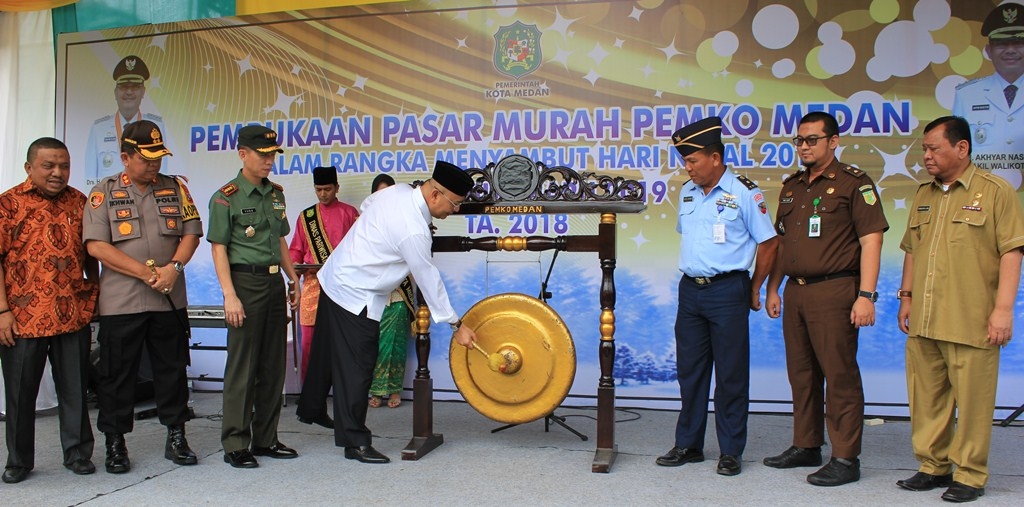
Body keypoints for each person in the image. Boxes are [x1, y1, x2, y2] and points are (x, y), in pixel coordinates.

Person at [895, 116, 1024, 503]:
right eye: (924, 149)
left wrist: (1004, 310)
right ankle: (933, 466)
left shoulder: (996, 191)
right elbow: (911, 249)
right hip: (925, 318)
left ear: (962, 148)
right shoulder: (924, 193)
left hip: (971, 319)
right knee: (927, 398)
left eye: (934, 148)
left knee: (973, 403)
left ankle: (969, 474)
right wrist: (906, 297)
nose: (926, 156)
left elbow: (1012, 251)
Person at [315, 161, 479, 464]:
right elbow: (427, 278)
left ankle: (311, 409)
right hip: (353, 292)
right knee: (358, 368)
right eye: (455, 203)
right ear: (435, 195)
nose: (455, 210)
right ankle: (354, 443)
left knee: (327, 354)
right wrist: (457, 325)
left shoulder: (398, 191)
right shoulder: (413, 229)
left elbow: (367, 204)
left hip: (336, 277)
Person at [762, 112, 888, 487]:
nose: (804, 146)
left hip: (835, 289)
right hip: (796, 290)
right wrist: (773, 287)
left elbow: (871, 240)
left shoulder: (854, 183)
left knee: (839, 374)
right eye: (799, 140)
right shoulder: (791, 187)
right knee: (801, 374)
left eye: (812, 140)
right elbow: (782, 243)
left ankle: (846, 458)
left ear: (833, 142)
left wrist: (866, 295)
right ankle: (806, 444)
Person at [654, 116, 778, 477]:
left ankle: (730, 450)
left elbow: (769, 243)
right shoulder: (687, 192)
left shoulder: (745, 193)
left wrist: (755, 287)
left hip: (728, 290)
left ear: (715, 158)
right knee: (690, 372)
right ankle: (689, 444)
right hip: (690, 290)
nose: (688, 168)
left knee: (730, 374)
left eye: (693, 161)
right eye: (685, 162)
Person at [83, 120, 202, 474]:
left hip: (168, 298)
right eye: (146, 159)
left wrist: (173, 269)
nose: (154, 165)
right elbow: (97, 246)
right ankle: (115, 443)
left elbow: (192, 233)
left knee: (172, 370)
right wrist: (145, 273)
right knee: (116, 374)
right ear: (125, 157)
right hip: (122, 302)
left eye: (158, 158)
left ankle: (176, 436)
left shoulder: (176, 188)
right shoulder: (103, 193)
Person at [0, 137, 99, 483]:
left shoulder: (80, 202)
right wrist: (2, 312)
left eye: (64, 166)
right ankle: (18, 461)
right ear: (29, 168)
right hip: (23, 317)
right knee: (20, 394)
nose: (58, 172)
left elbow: (91, 253)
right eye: (49, 166)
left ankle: (77, 453)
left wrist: (94, 293)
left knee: (75, 390)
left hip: (72, 313)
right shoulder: (8, 204)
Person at [207, 125, 300, 469]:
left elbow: (280, 240)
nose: (269, 160)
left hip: (274, 283)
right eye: (263, 155)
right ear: (243, 154)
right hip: (244, 283)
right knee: (242, 367)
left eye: (273, 154)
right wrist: (229, 295)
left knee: (273, 365)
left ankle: (266, 438)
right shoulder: (225, 197)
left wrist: (293, 278)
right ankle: (235, 443)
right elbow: (218, 248)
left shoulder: (276, 194)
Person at [291, 166, 359, 428]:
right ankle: (312, 405)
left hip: (342, 287)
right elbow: (295, 251)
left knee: (343, 344)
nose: (323, 194)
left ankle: (344, 402)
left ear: (336, 188)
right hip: (313, 286)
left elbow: (359, 249)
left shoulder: (350, 214)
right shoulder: (306, 217)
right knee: (309, 344)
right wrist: (294, 275)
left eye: (327, 189)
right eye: (318, 190)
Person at [951, 2, 1024, 189]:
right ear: (989, 51)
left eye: (1018, 42)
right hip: (982, 194)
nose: (1010, 50)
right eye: (1001, 44)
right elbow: (957, 153)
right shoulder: (967, 95)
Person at [365, 174, 414, 410]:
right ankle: (375, 390)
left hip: (397, 294)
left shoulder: (404, 221)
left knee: (396, 344)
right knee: (373, 344)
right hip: (373, 294)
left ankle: (394, 389)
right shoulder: (364, 223)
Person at [84, 55, 171, 187]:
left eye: (135, 87)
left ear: (143, 92)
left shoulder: (156, 125)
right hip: (109, 197)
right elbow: (90, 179)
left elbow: (161, 173)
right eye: (124, 87)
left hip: (146, 196)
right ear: (115, 92)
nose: (129, 92)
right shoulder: (99, 128)